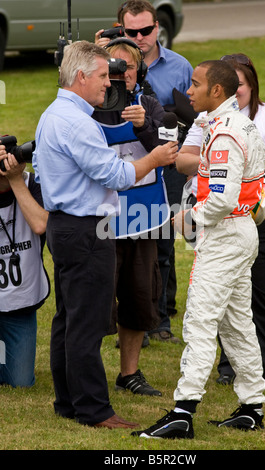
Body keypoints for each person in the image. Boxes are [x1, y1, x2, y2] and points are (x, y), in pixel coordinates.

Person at [32, 40, 177, 429]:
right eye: (101, 76)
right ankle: (95, 410)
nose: (107, 85)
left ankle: (68, 402)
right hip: (85, 230)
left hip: (68, 226)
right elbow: (115, 175)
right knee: (87, 323)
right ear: (80, 76)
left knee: (69, 318)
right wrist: (156, 158)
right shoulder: (75, 121)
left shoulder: (57, 113)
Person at [132, 60, 265, 439]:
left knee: (199, 322)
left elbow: (222, 200)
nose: (188, 91)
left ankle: (182, 412)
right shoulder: (226, 123)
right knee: (236, 323)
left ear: (217, 91)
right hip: (237, 234)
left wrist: (187, 219)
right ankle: (252, 407)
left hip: (225, 235)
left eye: (195, 84)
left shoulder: (225, 133)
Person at [95, 0, 193, 343]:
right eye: (131, 32)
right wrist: (96, 55)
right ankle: (118, 323)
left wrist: (146, 125)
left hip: (160, 173)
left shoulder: (178, 67)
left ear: (158, 27)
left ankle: (157, 319)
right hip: (110, 197)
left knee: (158, 249)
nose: (139, 37)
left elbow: (185, 123)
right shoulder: (98, 79)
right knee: (113, 260)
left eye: (146, 30)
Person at [214, 53, 265, 391]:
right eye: (229, 86)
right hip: (222, 217)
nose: (236, 93)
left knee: (264, 291)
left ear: (253, 85)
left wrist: (260, 167)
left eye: (242, 86)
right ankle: (228, 367)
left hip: (263, 215)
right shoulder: (208, 118)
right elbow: (186, 159)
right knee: (226, 293)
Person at [92, 37, 169, 396]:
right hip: (99, 216)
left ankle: (129, 373)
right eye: (114, 67)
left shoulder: (149, 105)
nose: (121, 75)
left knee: (139, 296)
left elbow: (170, 153)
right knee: (95, 299)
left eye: (129, 67)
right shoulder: (87, 106)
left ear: (139, 72)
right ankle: (88, 371)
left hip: (142, 215)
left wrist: (144, 127)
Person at [0, 147, 50, 387]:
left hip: (19, 305)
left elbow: (41, 225)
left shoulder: (33, 184)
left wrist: (15, 179)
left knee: (20, 383)